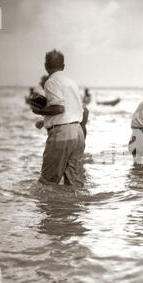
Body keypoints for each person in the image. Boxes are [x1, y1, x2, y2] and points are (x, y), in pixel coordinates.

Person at [31, 49, 85, 186]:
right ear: (63, 66)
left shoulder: (51, 82)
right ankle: (75, 207)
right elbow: (74, 109)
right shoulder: (71, 82)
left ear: (46, 65)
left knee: (47, 183)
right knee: (74, 183)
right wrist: (45, 120)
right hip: (78, 132)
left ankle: (49, 207)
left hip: (62, 135)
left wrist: (39, 110)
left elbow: (59, 108)